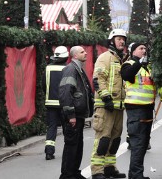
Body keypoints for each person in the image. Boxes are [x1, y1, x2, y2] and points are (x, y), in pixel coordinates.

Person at [90, 29, 128, 179]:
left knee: (115, 139)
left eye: (123, 39)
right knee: (103, 139)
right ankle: (97, 171)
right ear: (112, 41)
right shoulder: (104, 57)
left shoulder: (122, 59)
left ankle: (110, 168)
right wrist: (106, 99)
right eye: (119, 39)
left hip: (119, 106)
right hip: (105, 106)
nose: (122, 41)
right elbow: (98, 79)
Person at [120, 42, 155, 179]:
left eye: (145, 48)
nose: (144, 50)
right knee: (138, 144)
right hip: (136, 109)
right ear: (133, 51)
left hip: (147, 109)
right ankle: (136, 176)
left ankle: (135, 175)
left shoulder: (147, 67)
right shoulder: (128, 64)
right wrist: (139, 62)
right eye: (141, 48)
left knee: (143, 144)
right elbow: (127, 75)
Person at [58, 46, 93, 179]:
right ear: (75, 56)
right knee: (71, 145)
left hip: (79, 115)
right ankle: (67, 175)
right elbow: (65, 93)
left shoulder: (78, 69)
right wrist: (70, 115)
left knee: (78, 145)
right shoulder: (71, 69)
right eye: (82, 52)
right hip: (73, 115)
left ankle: (74, 172)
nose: (86, 53)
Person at [43, 46, 69, 160]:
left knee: (51, 127)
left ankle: (49, 152)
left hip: (50, 103)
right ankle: (68, 152)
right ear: (66, 57)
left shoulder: (48, 68)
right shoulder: (68, 69)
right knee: (66, 127)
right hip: (65, 103)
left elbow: (43, 85)